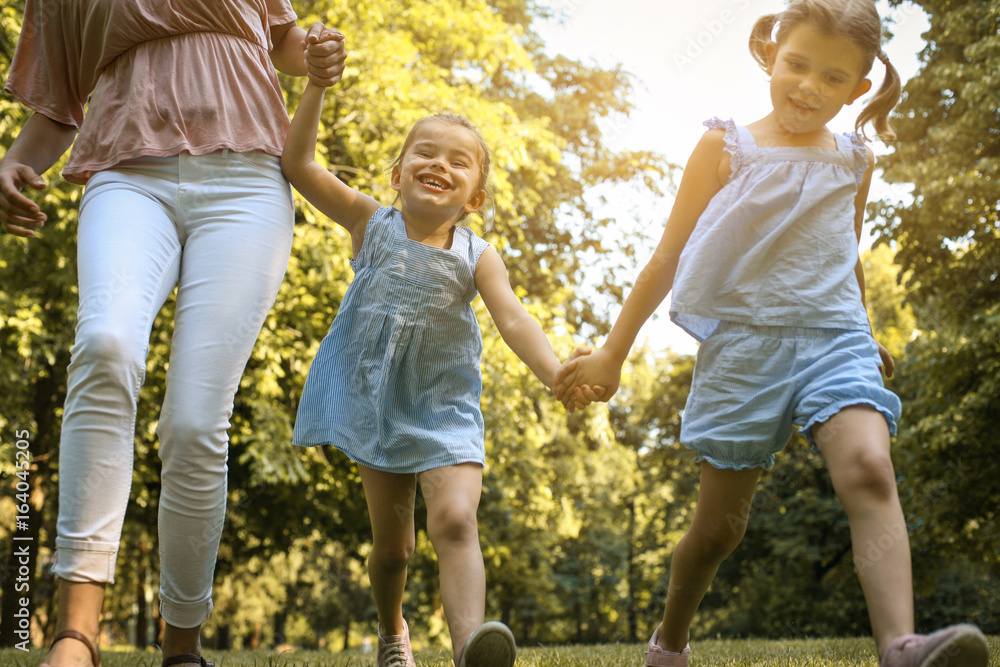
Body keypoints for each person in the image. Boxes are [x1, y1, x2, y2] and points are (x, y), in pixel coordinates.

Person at [554, 1, 991, 666]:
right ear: (770, 51)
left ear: (861, 86)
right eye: (798, 65)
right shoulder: (725, 146)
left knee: (870, 468)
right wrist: (614, 351)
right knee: (718, 530)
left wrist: (865, 330)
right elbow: (667, 255)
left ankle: (900, 646)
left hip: (834, 341)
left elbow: (843, 249)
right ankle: (669, 641)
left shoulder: (854, 159)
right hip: (743, 350)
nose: (811, 87)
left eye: (835, 79)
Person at [0, 3, 346, 667]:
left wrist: (318, 54)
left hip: (248, 181)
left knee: (194, 420)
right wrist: (15, 160)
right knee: (105, 343)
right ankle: (76, 635)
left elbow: (280, 40)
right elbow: (58, 104)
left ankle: (181, 642)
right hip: (126, 175)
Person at [281, 60, 591, 667]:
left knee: (454, 519)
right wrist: (315, 84)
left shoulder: (479, 256)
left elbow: (514, 319)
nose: (438, 165)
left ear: (474, 197)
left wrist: (554, 369)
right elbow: (299, 166)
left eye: (457, 161)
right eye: (425, 153)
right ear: (397, 174)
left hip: (445, 407)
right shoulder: (371, 223)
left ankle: (468, 647)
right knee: (394, 548)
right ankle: (393, 630)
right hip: (376, 405)